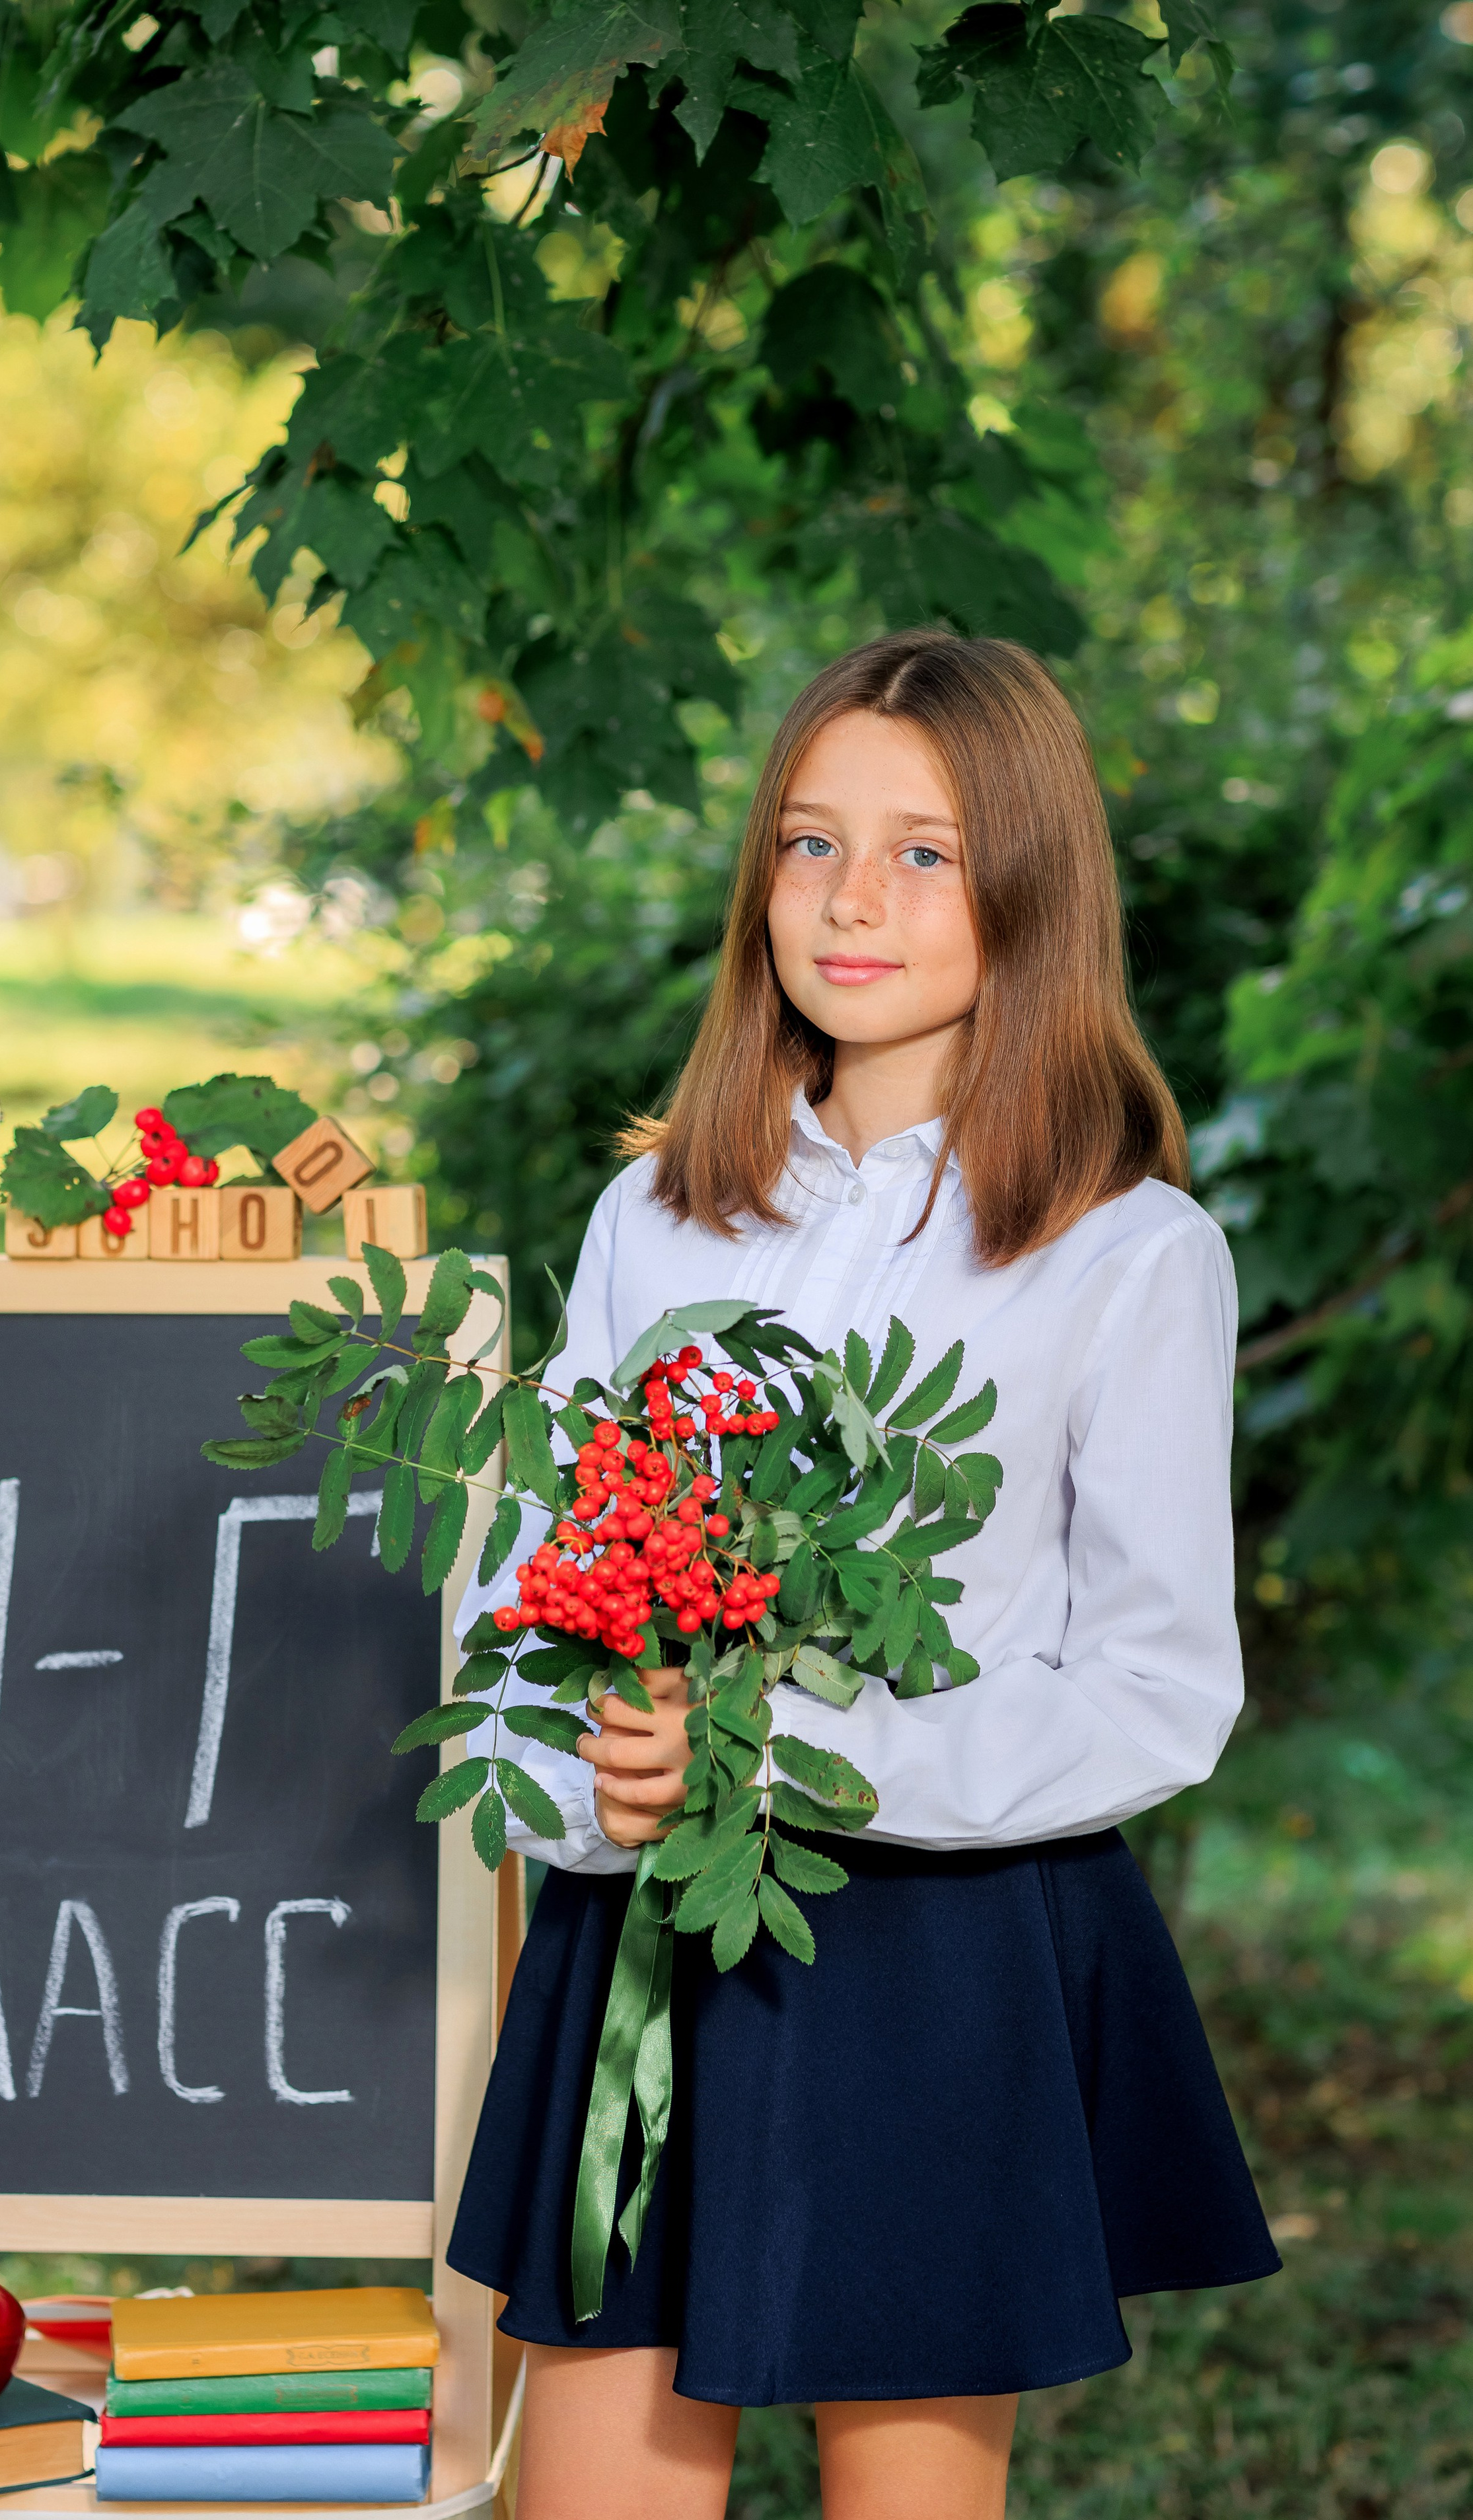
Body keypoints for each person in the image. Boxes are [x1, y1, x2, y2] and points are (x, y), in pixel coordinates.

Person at [448, 629, 1279, 2520]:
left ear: (1033, 885)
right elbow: (538, 1578)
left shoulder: (1127, 1253)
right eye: (810, 843)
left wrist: (794, 1773)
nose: (851, 898)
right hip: (644, 1938)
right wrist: (603, 1771)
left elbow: (1159, 1685)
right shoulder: (655, 1216)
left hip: (930, 1954)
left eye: (924, 850)